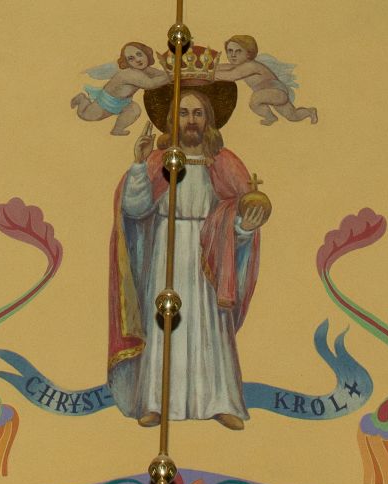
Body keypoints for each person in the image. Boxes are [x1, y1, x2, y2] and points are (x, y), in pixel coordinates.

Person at [107, 82, 269, 428]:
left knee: (209, 329)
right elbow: (134, 209)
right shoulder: (158, 160)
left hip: (209, 255)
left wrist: (244, 226)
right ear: (172, 119)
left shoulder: (224, 163)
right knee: (163, 326)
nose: (190, 120)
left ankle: (221, 401)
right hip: (165, 250)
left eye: (197, 113)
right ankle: (155, 401)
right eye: (183, 113)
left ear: (208, 119)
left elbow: (237, 217)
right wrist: (138, 164)